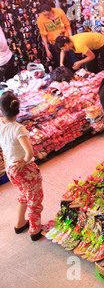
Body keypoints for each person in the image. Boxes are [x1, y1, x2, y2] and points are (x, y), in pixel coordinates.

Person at [0, 92, 44, 241]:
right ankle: (35, 229)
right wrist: (25, 161)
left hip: (10, 168)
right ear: (18, 109)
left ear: (1, 110)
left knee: (23, 194)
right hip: (23, 169)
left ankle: (20, 223)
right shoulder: (18, 129)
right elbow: (29, 153)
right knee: (34, 198)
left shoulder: (1, 124)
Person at [37, 4, 77, 69]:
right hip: (54, 44)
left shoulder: (59, 12)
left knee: (73, 60)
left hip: (66, 41)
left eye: (48, 14)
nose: (47, 16)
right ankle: (66, 77)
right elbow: (43, 35)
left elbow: (67, 25)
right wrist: (47, 49)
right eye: (44, 15)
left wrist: (71, 37)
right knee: (60, 63)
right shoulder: (40, 19)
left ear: (51, 10)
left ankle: (78, 75)